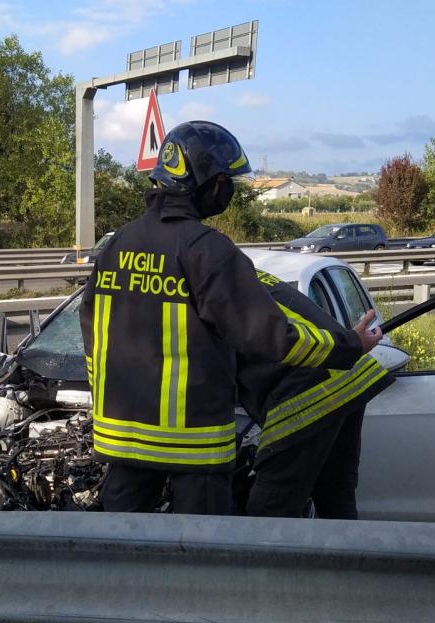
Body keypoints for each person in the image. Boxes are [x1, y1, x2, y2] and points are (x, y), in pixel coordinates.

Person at [80, 121, 342, 515]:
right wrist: (346, 345)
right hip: (194, 447)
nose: (227, 188)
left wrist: (105, 398)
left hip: (122, 441)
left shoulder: (117, 244)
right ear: (205, 182)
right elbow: (266, 334)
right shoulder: (206, 249)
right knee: (203, 561)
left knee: (118, 554)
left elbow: (92, 329)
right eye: (224, 178)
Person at [235, 270, 395, 519]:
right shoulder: (245, 273)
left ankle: (275, 559)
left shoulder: (210, 283)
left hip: (307, 390)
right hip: (349, 373)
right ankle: (347, 557)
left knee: (268, 510)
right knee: (335, 496)